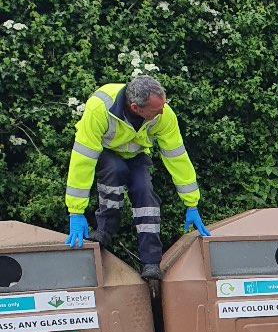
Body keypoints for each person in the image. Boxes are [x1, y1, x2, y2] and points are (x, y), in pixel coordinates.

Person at [64, 75, 210, 280]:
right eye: (156, 110)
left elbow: (177, 157)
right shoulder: (99, 108)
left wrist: (191, 202)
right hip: (106, 154)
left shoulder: (164, 114)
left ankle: (151, 262)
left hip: (135, 156)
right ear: (135, 107)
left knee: (144, 190)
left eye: (163, 106)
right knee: (115, 170)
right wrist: (75, 211)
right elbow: (83, 160)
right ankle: (104, 231)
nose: (162, 112)